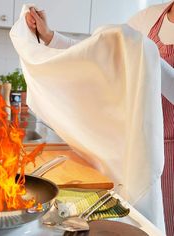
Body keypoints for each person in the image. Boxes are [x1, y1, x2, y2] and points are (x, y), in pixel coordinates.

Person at [25, 2, 174, 235]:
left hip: (169, 156)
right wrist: (51, 37)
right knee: (140, 226)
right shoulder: (148, 18)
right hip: (138, 151)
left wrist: (150, 59)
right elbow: (96, 56)